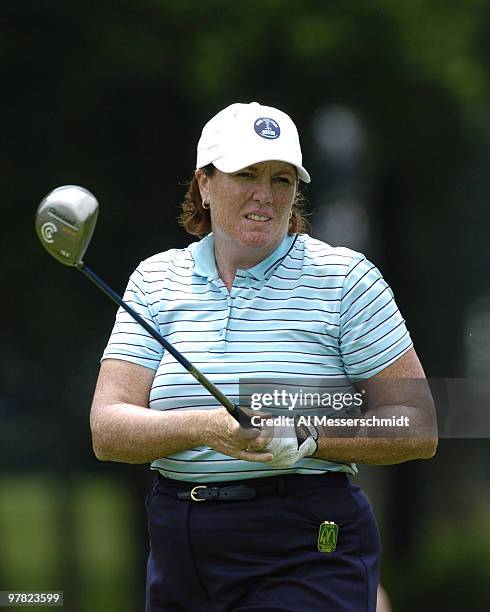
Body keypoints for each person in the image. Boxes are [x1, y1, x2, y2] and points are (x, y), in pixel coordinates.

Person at [90, 101, 437, 611]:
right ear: (204, 184)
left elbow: (417, 425)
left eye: (281, 179)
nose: (265, 195)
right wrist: (206, 427)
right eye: (245, 174)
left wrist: (308, 436)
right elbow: (108, 427)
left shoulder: (344, 279)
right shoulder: (155, 280)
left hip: (306, 539)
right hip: (180, 541)